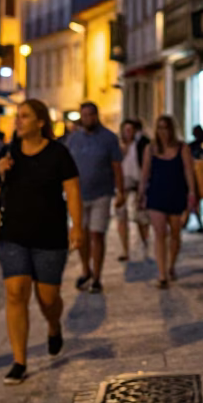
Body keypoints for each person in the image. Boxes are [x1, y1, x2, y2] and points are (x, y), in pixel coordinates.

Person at [0, 98, 83, 385]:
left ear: (41, 122)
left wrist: (77, 227)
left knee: (48, 298)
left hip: (50, 237)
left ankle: (54, 325)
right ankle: (19, 361)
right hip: (13, 236)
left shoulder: (58, 154)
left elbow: (73, 191)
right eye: (18, 116)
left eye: (24, 116)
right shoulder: (8, 152)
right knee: (16, 292)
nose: (18, 121)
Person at [66, 102, 124, 293]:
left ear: (97, 115)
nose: (88, 118)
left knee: (97, 233)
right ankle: (86, 269)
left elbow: (116, 166)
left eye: (92, 114)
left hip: (102, 192)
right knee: (80, 235)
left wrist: (120, 191)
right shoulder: (73, 140)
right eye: (85, 115)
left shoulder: (109, 138)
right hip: (78, 194)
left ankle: (97, 275)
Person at [139, 114, 197, 289]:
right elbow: (145, 174)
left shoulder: (182, 148)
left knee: (175, 235)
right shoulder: (150, 149)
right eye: (160, 128)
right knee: (159, 233)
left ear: (172, 129)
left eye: (166, 127)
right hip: (156, 195)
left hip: (176, 194)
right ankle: (162, 274)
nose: (163, 131)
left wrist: (192, 193)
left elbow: (189, 171)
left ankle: (171, 265)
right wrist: (141, 195)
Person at [115, 119, 150, 260]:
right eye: (125, 129)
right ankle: (125, 249)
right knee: (121, 216)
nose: (127, 132)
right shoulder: (119, 146)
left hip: (138, 183)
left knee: (141, 217)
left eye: (130, 129)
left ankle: (145, 244)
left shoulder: (141, 144)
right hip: (122, 184)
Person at [185, 124, 203, 233]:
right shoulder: (191, 146)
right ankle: (191, 221)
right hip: (195, 176)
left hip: (202, 177)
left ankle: (192, 221)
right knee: (194, 201)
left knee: (195, 201)